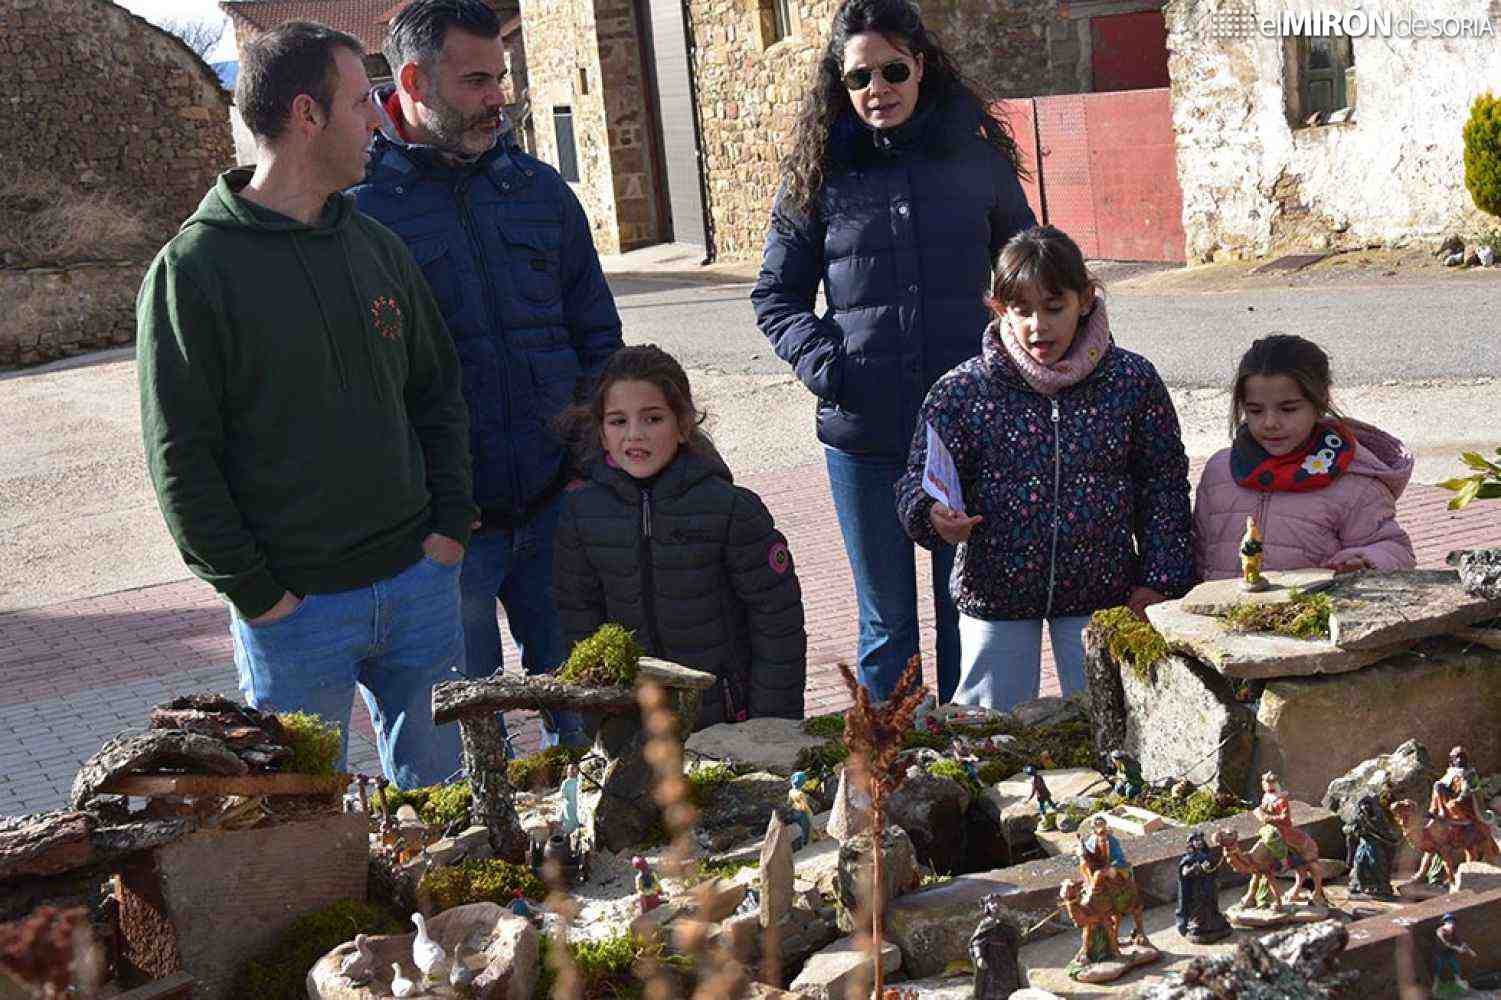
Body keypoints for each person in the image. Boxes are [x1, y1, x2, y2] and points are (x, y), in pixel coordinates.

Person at [136, 22, 475, 788]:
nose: (379, 118)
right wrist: (260, 596)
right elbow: (181, 461)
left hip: (418, 586)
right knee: (303, 834)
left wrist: (450, 529)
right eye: (360, 101)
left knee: (452, 813)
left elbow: (437, 394)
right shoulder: (193, 271)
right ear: (306, 115)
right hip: (296, 617)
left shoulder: (376, 246)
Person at [351, 0, 623, 751]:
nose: (499, 98)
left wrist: (585, 462)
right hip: (445, 538)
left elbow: (597, 336)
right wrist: (425, 498)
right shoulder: (357, 214)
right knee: (465, 740)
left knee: (589, 717)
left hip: (555, 506)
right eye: (476, 81)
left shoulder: (539, 193)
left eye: (498, 77)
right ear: (412, 79)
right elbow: (360, 391)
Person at [752, 0, 1036, 705]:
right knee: (885, 626)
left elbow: (1028, 275)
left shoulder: (975, 162)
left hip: (965, 438)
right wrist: (829, 366)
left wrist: (1011, 366)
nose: (876, 89)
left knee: (963, 612)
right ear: (837, 85)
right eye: (857, 78)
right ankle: (888, 775)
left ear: (921, 67)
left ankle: (967, 776)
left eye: (892, 70)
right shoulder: (818, 173)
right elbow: (775, 296)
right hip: (865, 435)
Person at [895, 226, 1194, 711]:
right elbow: (917, 478)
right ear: (999, 309)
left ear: (1085, 299)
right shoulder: (961, 392)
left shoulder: (1131, 382)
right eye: (1022, 310)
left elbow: (1163, 485)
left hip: (1103, 594)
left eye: (1054, 307)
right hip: (996, 594)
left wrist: (1160, 578)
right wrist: (931, 515)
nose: (1039, 326)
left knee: (1113, 725)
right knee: (989, 733)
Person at [552, 345, 807, 726]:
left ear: (683, 423)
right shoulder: (580, 514)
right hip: (635, 725)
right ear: (601, 433)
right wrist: (601, 719)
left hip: (727, 721)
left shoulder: (733, 510)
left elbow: (777, 625)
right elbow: (579, 622)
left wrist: (771, 725)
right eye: (618, 421)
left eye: (653, 419)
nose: (634, 435)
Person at [1193, 334, 1415, 580]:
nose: (1270, 423)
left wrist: (1366, 560)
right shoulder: (1220, 471)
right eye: (1255, 410)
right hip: (1223, 615)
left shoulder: (1354, 481)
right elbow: (1199, 554)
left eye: (1288, 409)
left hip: (1316, 615)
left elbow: (1396, 551)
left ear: (1320, 402)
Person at [1175, 831, 1230, 943]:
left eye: (1200, 840)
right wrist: (1195, 868)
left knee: (1211, 903)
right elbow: (1185, 873)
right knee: (1199, 906)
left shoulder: (1206, 854)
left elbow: (1213, 867)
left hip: (1209, 885)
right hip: (1197, 889)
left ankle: (1213, 922)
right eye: (1196, 840)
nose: (1198, 842)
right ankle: (1199, 924)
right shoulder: (1189, 858)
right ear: (1191, 843)